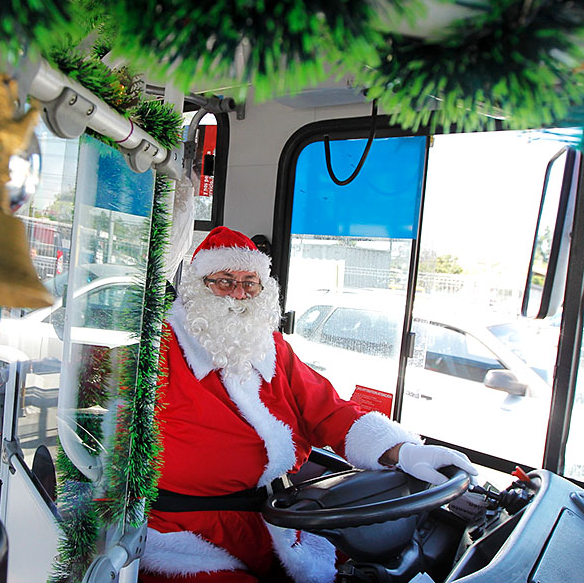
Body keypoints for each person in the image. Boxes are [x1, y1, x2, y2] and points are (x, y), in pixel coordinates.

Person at [140, 227, 477, 583]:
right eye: (224, 281)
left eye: (250, 282)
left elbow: (330, 411)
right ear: (197, 288)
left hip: (277, 519)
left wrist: (406, 453)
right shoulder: (160, 351)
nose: (239, 294)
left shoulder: (271, 347)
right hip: (184, 532)